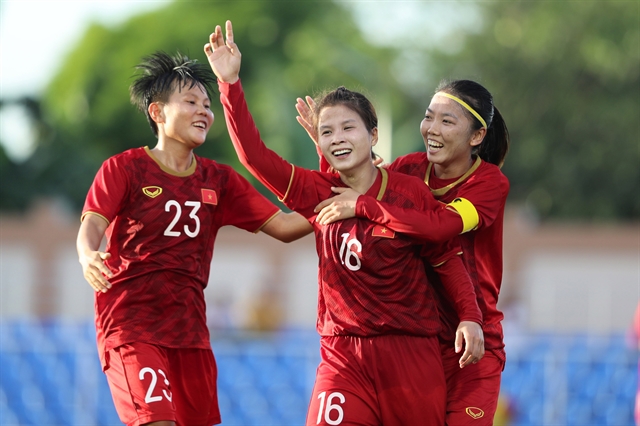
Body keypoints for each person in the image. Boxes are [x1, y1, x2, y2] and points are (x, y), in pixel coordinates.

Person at [205, 20, 484, 425]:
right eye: (326, 132)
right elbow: (255, 156)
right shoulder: (317, 191)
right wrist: (229, 83)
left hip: (410, 356)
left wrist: (470, 316)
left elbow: (446, 258)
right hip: (343, 356)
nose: (337, 138)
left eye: (348, 127)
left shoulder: (410, 194)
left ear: (372, 135)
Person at [76, 50, 313, 426]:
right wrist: (87, 254)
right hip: (132, 325)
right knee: (157, 421)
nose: (204, 111)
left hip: (190, 333)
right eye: (190, 102)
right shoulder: (125, 167)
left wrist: (348, 199)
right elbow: (92, 222)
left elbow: (284, 228)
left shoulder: (219, 179)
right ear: (157, 112)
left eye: (207, 104)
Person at [297, 78, 510, 424]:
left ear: (477, 136)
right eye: (429, 117)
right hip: (418, 342)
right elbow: (346, 193)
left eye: (447, 121)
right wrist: (332, 150)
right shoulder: (407, 169)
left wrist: (366, 205)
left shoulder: (489, 183)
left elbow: (438, 227)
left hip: (471, 343)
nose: (432, 129)